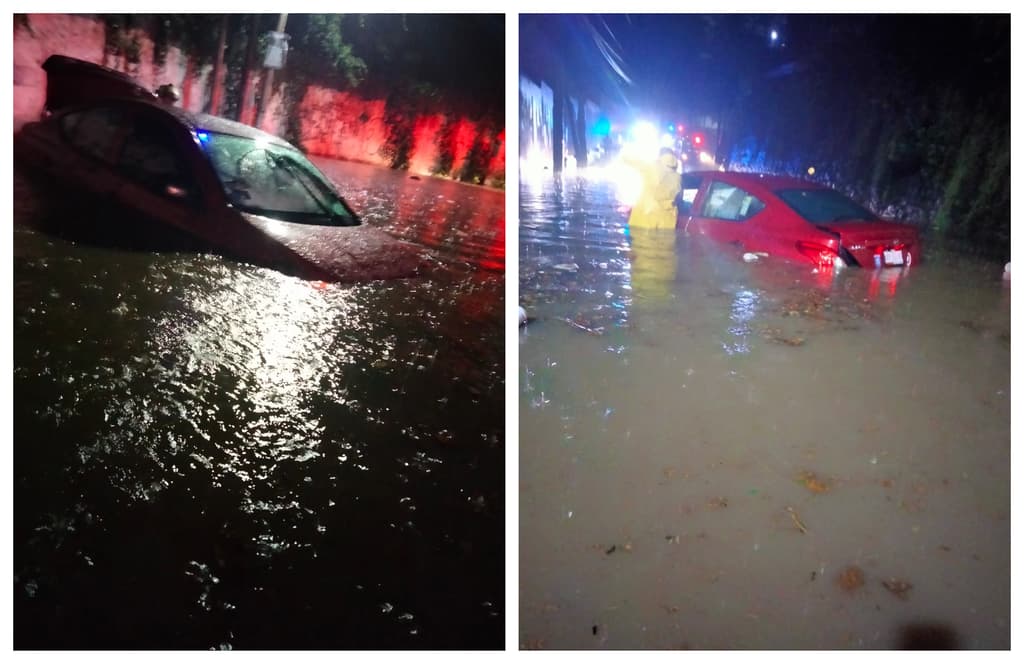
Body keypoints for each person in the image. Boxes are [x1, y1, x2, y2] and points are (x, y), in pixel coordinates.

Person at [626, 147, 681, 231]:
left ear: (660, 156)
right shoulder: (678, 177)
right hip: (667, 224)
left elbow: (630, 160)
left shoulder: (651, 167)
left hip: (644, 220)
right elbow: (678, 198)